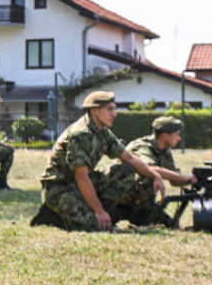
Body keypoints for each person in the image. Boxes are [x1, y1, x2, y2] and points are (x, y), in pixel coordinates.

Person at [32, 91, 166, 231]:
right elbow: (81, 177)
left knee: (126, 170)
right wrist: (99, 211)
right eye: (109, 109)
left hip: (79, 184)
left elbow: (129, 158)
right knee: (96, 227)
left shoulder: (103, 131)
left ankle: (101, 212)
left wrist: (155, 175)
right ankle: (54, 215)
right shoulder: (80, 134)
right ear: (94, 111)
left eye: (114, 109)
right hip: (60, 187)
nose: (114, 114)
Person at [108, 116, 197, 226]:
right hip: (118, 196)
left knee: (171, 225)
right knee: (150, 177)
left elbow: (174, 181)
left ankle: (143, 215)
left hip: (137, 199)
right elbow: (148, 169)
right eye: (177, 134)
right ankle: (140, 218)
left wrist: (192, 180)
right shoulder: (142, 146)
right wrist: (183, 177)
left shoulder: (164, 150)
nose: (179, 139)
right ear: (165, 136)